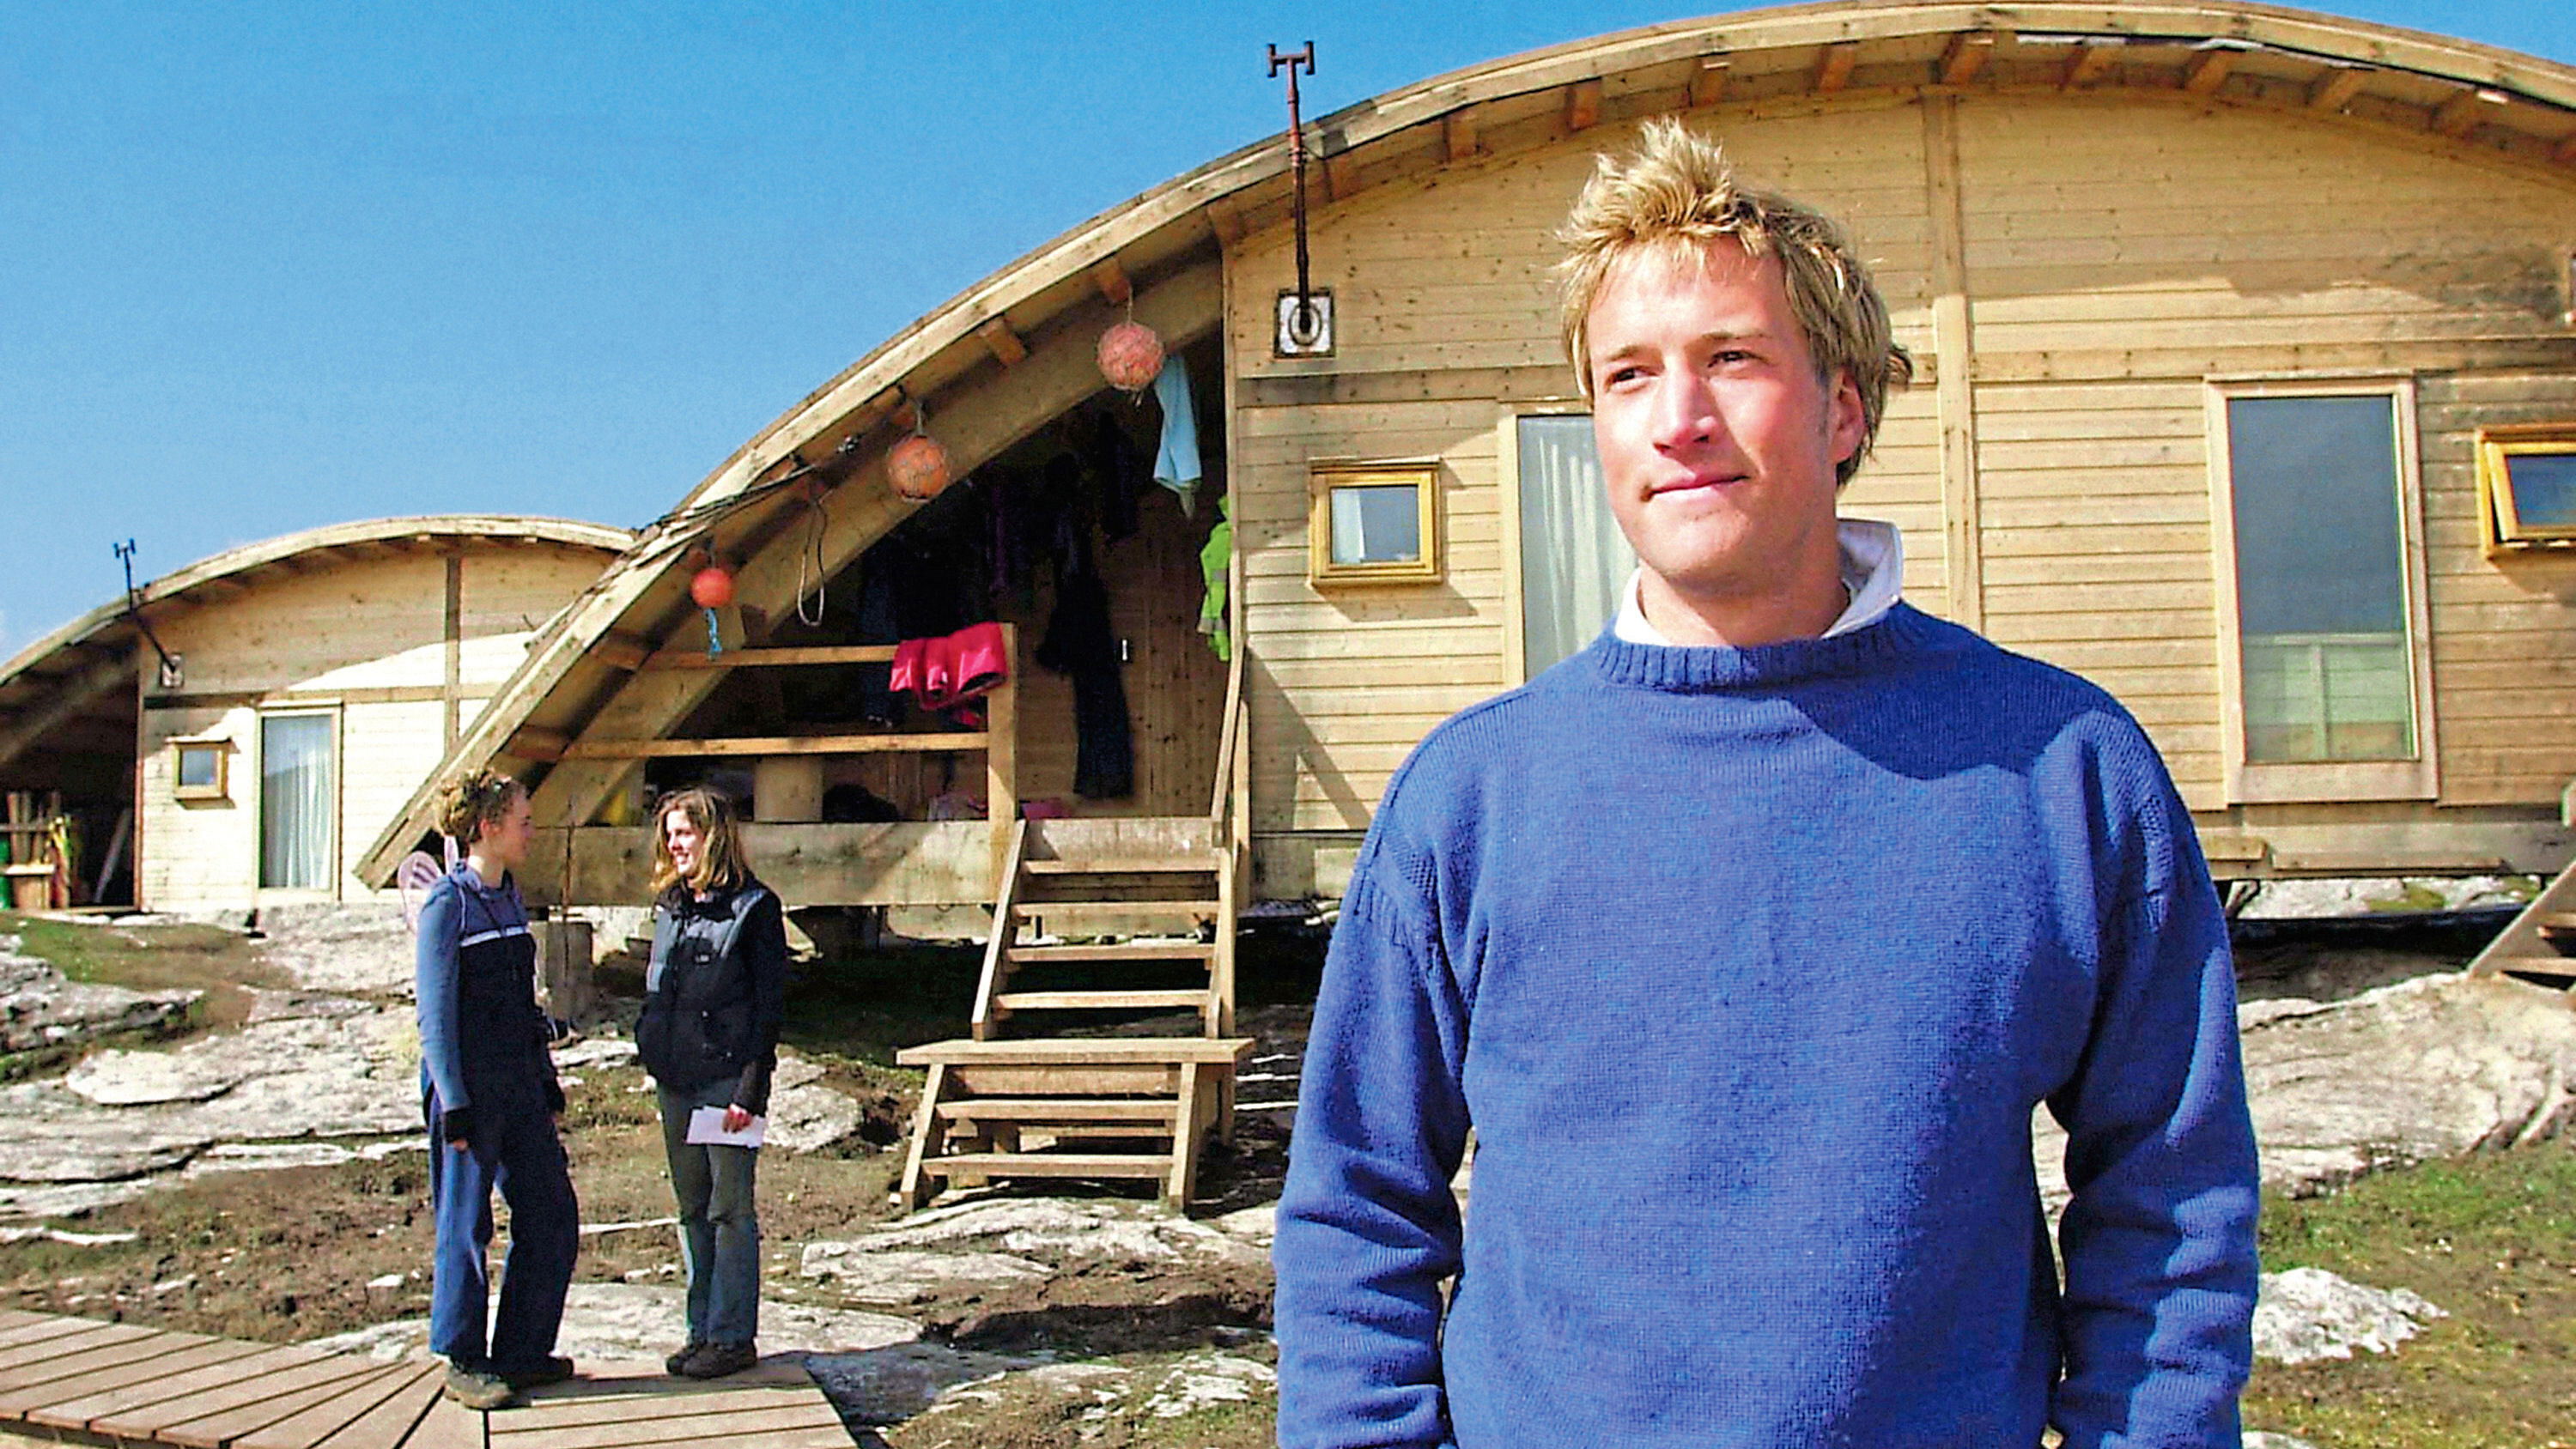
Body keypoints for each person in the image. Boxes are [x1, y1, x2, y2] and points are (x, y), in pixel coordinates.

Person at [1272, 118, 2259, 1449]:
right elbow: (1355, 1214)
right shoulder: (1469, 801)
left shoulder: (2063, 770)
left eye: (1731, 359)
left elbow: (2174, 1198)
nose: (1679, 420)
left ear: (1845, 406)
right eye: (1629, 375)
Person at [414, 768, 579, 1411]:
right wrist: (453, 1103)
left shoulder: (510, 898)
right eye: (523, 821)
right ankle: (462, 1358)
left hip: (520, 1083)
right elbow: (434, 1016)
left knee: (551, 1211)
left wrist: (546, 1078)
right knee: (466, 1223)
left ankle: (522, 1350)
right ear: (488, 828)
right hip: (469, 1090)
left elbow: (521, 1004)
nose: (532, 831)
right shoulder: (447, 906)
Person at [635, 786, 788, 1380]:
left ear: (713, 836)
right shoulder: (671, 906)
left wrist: (751, 1089)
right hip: (675, 1079)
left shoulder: (756, 909)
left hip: (727, 1084)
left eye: (685, 833)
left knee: (730, 1210)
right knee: (691, 1209)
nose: (675, 844)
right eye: (669, 834)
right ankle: (699, 1331)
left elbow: (769, 1008)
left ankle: (731, 1337)